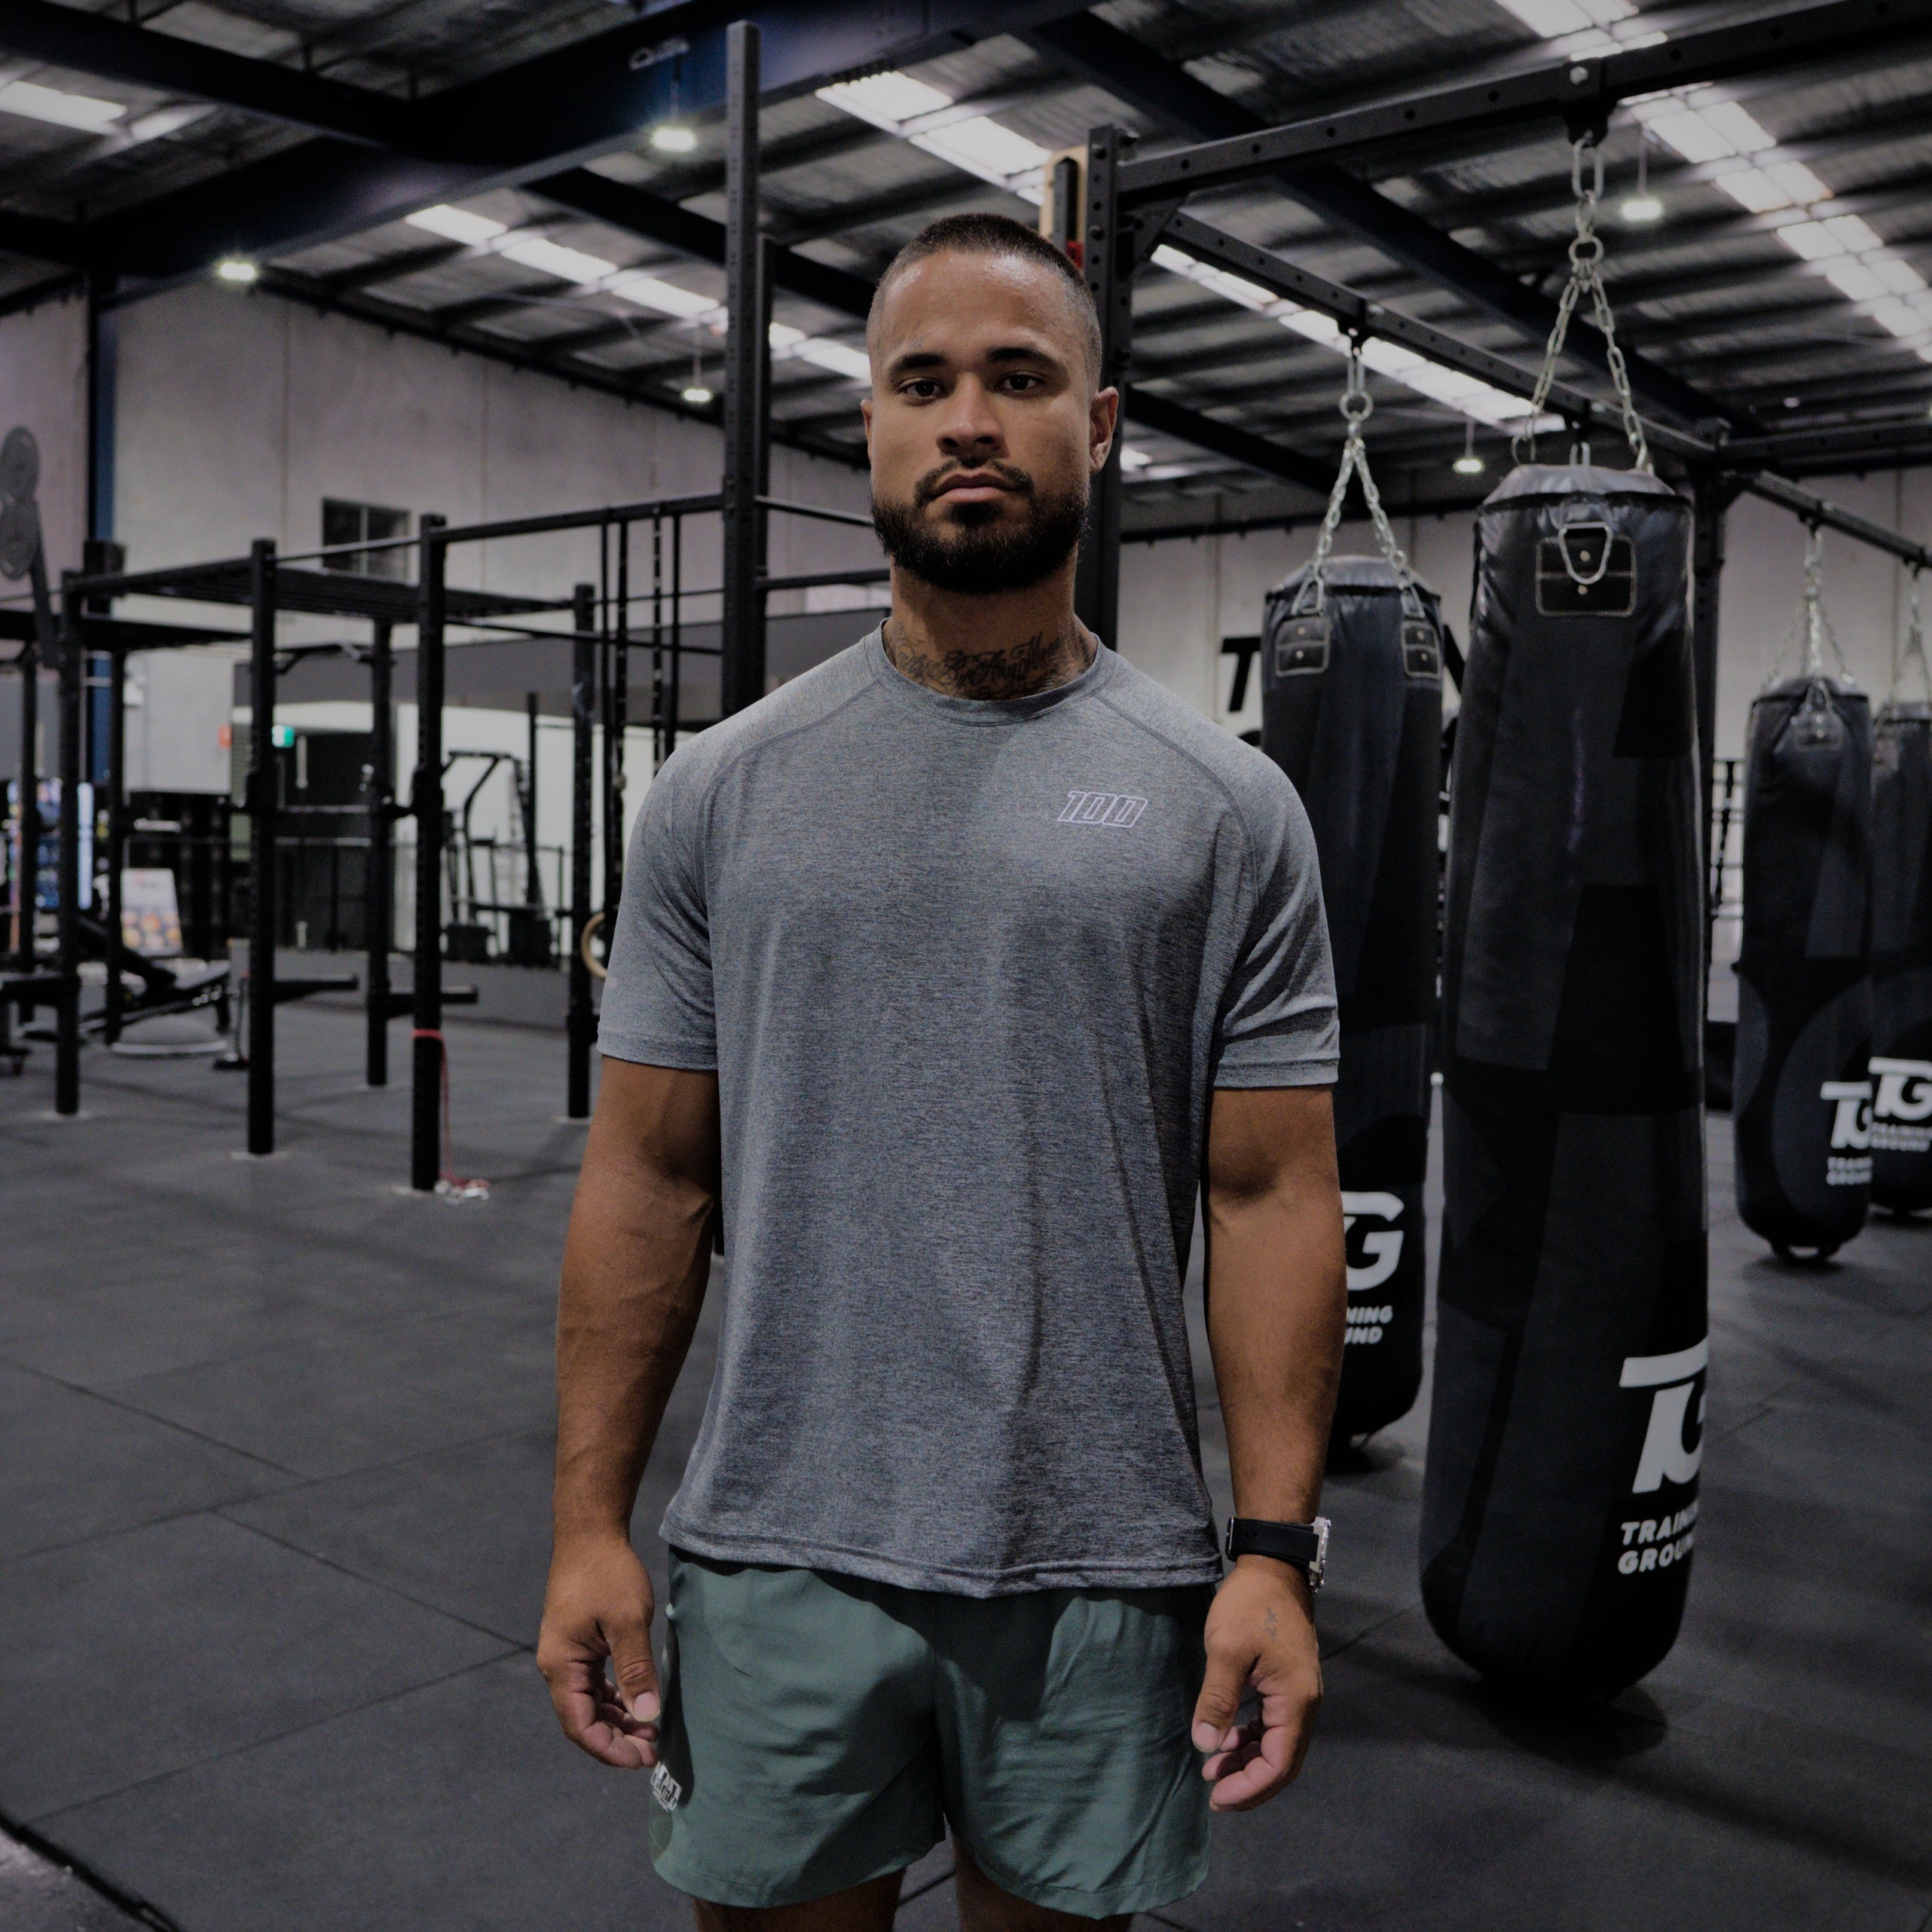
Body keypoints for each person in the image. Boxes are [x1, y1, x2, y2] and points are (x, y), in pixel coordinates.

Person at [538, 211, 1347, 1931]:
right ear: (873, 427)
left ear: (1101, 425)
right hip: (775, 1540)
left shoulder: (1224, 807)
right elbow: (649, 1177)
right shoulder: (720, 794)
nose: (968, 417)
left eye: (1017, 377)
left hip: (1102, 1565)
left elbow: (1272, 1189)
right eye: (923, 381)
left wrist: (1272, 1550)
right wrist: (588, 1520)